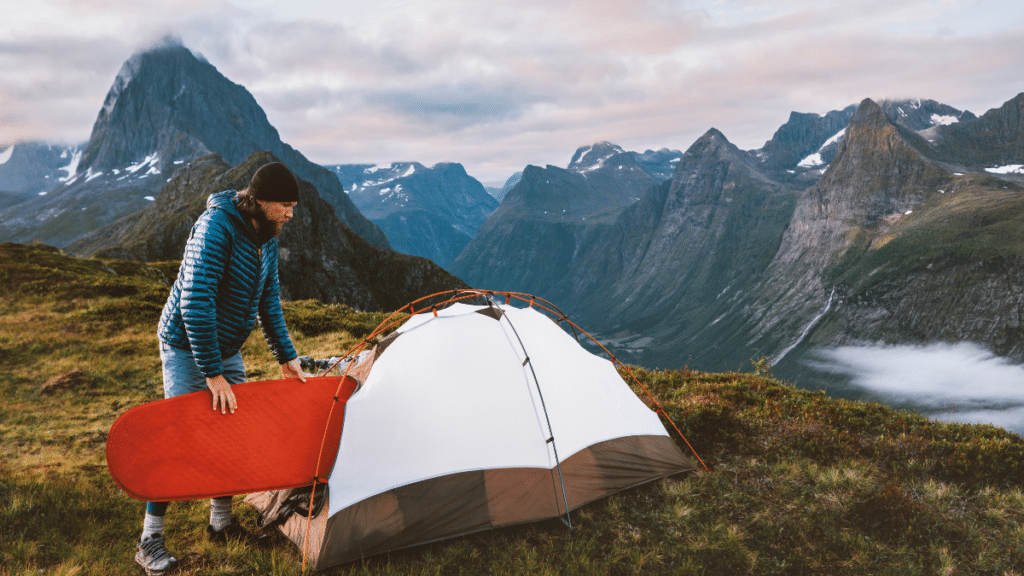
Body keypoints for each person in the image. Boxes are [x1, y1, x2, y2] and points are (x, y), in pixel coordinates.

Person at [134, 162, 307, 576]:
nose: (290, 214)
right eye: (285, 205)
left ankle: (221, 524)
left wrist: (287, 357)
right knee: (182, 438)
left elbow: (269, 303)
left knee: (233, 432)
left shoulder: (265, 236)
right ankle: (149, 540)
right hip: (185, 345)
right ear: (262, 201)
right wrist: (212, 374)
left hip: (225, 346)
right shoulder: (216, 228)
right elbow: (196, 302)